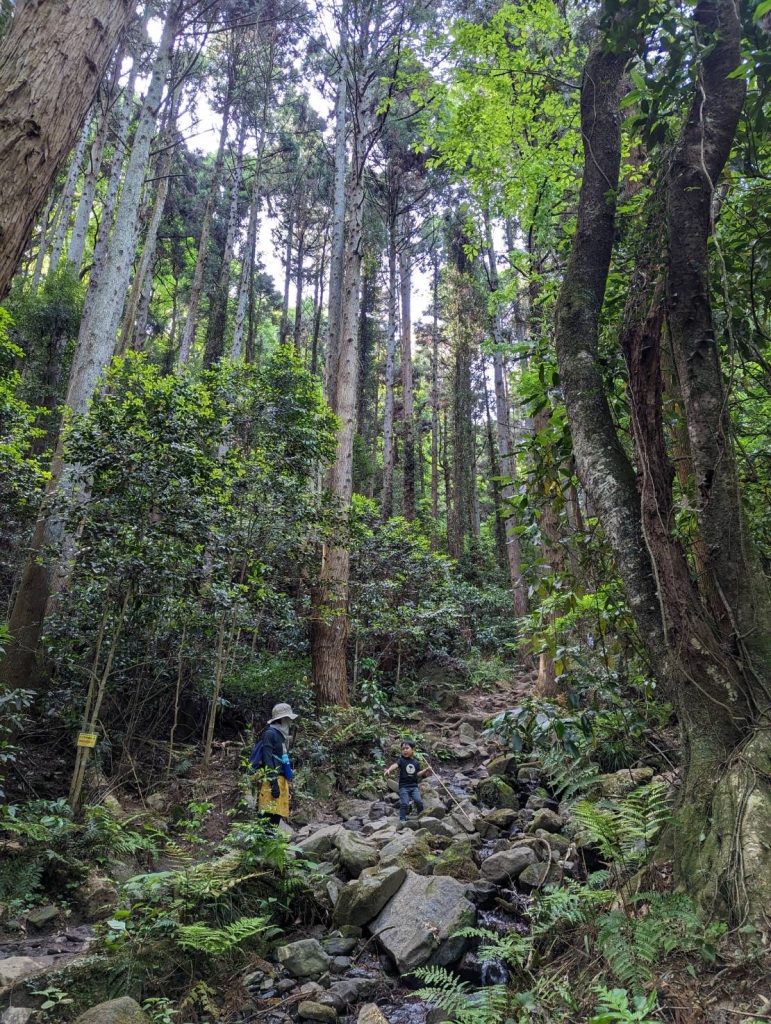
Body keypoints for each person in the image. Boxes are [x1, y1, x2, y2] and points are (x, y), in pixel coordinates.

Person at [255, 702, 298, 825]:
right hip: (272, 779)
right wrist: (273, 782)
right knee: (267, 812)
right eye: (288, 719)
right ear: (282, 719)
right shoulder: (270, 733)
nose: (290, 722)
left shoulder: (281, 735)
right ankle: (263, 841)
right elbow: (267, 758)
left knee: (277, 815)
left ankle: (272, 841)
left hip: (281, 778)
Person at [384, 739, 430, 825]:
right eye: (403, 749)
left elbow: (418, 774)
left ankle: (421, 816)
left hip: (414, 786)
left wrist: (425, 770)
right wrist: (389, 770)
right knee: (404, 803)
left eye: (407, 748)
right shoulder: (401, 760)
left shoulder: (416, 762)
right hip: (404, 787)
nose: (405, 750)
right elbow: (395, 765)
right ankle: (402, 819)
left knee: (418, 801)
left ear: (412, 750)